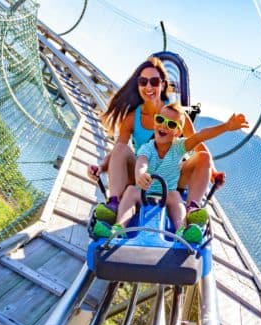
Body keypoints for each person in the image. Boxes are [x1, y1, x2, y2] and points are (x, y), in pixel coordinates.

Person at [88, 56, 225, 227]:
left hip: (171, 175)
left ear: (162, 84)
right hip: (141, 175)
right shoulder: (132, 118)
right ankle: (113, 204)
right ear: (138, 85)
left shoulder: (176, 115)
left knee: (204, 156)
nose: (148, 87)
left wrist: (213, 171)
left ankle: (192, 210)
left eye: (154, 81)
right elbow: (118, 151)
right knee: (122, 148)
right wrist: (100, 167)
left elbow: (197, 144)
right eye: (143, 81)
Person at [93, 103, 249, 243]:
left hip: (167, 194)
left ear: (177, 132)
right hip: (143, 193)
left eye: (171, 124)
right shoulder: (147, 148)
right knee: (130, 192)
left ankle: (183, 230)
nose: (164, 126)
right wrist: (140, 174)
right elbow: (141, 161)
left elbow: (201, 135)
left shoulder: (179, 147)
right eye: (160, 120)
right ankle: (118, 228)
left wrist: (226, 126)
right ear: (155, 122)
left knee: (175, 197)